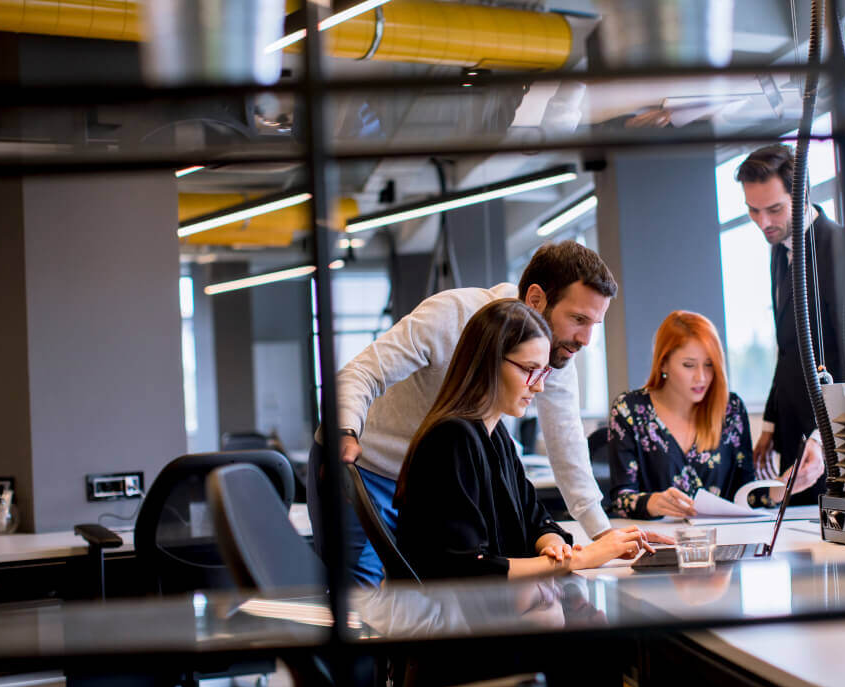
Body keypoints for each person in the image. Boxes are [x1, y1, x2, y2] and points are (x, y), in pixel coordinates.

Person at [323, 241, 666, 585]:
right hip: (369, 467)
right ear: (536, 299)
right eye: (578, 319)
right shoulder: (451, 315)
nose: (586, 339)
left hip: (449, 482)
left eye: (594, 323)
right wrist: (345, 430)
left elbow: (568, 446)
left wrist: (603, 536)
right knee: (364, 600)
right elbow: (363, 373)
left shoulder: (548, 361)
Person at [396, 299, 646, 579]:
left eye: (543, 372)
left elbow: (535, 519)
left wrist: (555, 547)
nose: (538, 386)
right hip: (454, 616)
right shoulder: (451, 438)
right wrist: (579, 559)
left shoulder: (495, 434)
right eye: (529, 370)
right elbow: (468, 567)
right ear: (489, 362)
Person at [735, 144, 845, 504]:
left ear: (801, 195)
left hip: (833, 450)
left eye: (774, 210)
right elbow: (790, 348)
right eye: (753, 211)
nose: (764, 222)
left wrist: (822, 439)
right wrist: (770, 422)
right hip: (794, 439)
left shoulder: (843, 254)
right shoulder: (780, 249)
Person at [607, 311, 765, 519]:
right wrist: (652, 503)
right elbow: (620, 500)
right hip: (656, 543)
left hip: (725, 540)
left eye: (709, 365)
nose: (701, 377)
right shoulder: (629, 411)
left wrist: (785, 485)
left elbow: (747, 495)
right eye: (689, 365)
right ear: (663, 363)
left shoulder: (731, 409)